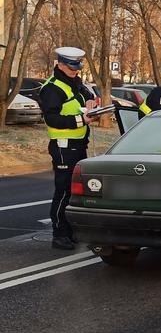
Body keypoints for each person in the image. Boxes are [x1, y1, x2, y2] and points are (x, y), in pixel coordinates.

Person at [39, 47, 96, 250]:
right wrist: (81, 120)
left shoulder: (74, 81)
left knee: (74, 191)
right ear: (60, 64)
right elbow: (52, 118)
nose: (76, 71)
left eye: (78, 66)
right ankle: (59, 233)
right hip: (63, 146)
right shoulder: (52, 88)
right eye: (72, 67)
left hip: (78, 144)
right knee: (63, 191)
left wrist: (90, 99)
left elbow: (87, 91)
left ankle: (69, 231)